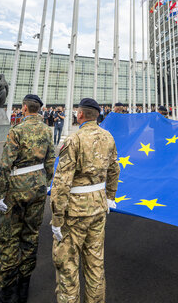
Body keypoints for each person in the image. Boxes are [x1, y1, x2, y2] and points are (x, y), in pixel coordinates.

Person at [51, 97, 120, 303]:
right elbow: (114, 169)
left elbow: (62, 182)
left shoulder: (74, 139)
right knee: (95, 265)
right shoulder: (108, 137)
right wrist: (110, 197)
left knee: (68, 267)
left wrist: (56, 218)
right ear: (97, 115)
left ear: (80, 114)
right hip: (98, 207)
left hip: (74, 211)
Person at [0, 94, 55, 303]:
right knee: (30, 235)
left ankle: (7, 291)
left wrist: (0, 193)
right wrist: (43, 181)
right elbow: (51, 160)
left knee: (8, 238)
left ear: (24, 108)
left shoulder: (16, 131)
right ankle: (24, 287)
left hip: (16, 190)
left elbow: (5, 165)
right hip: (38, 188)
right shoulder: (46, 130)